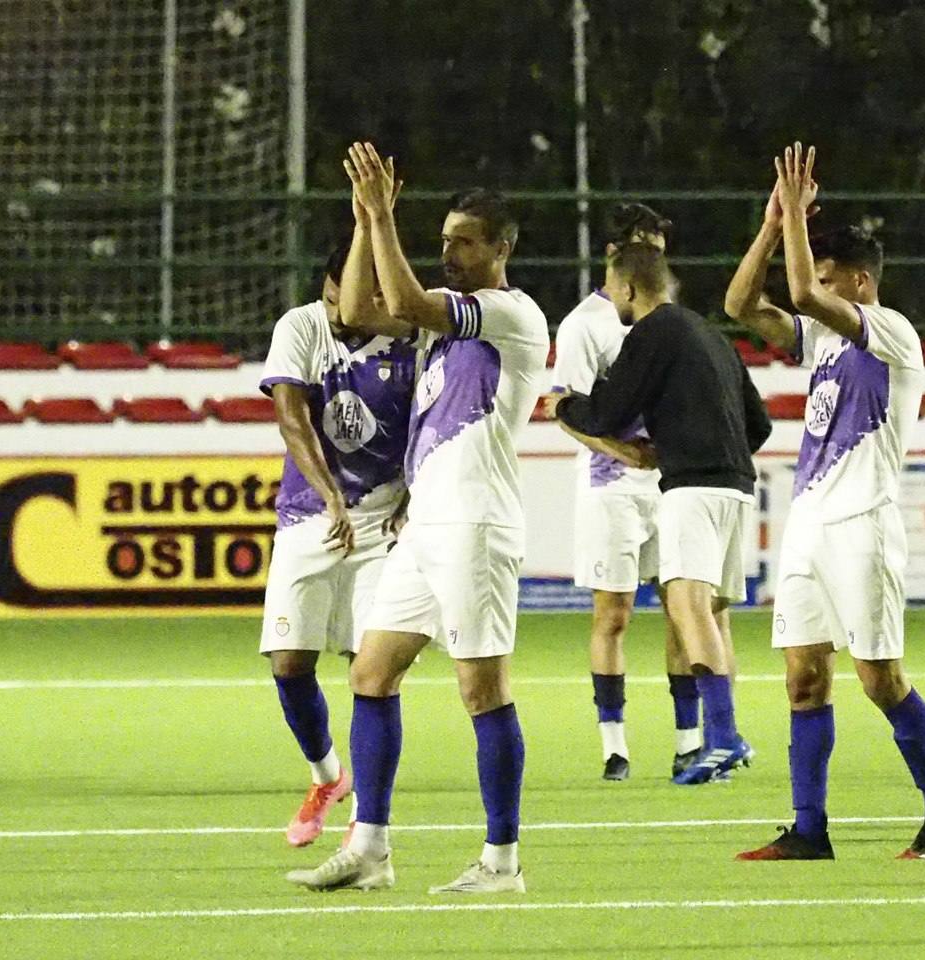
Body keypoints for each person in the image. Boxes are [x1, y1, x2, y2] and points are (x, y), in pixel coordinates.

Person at [288, 143, 547, 895]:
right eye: (443, 243)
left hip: (477, 526)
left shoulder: (509, 314)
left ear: (502, 248)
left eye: (464, 241)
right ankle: (370, 848)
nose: (450, 254)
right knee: (371, 673)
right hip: (426, 527)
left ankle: (502, 861)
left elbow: (403, 304)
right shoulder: (445, 327)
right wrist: (369, 223)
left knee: (482, 689)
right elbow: (358, 311)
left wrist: (382, 216)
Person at [726, 143, 925, 861]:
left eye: (835, 280)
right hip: (809, 523)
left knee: (879, 680)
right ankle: (809, 830)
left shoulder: (891, 333)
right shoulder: (825, 344)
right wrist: (773, 227)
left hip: (863, 524)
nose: (820, 288)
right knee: (803, 679)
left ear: (860, 284)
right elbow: (742, 305)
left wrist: (799, 217)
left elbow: (801, 293)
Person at [547, 242, 771, 787]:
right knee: (712, 615)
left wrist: (564, 406)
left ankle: (722, 737)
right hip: (738, 486)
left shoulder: (652, 332)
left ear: (627, 288)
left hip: (693, 488)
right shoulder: (711, 333)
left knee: (687, 606)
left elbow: (607, 411)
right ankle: (722, 736)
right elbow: (759, 423)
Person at [259, 236, 417, 847]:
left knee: (371, 671)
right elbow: (291, 416)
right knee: (289, 661)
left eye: (347, 301)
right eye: (331, 298)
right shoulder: (300, 326)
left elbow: (429, 424)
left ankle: (369, 821)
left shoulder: (411, 337)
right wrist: (327, 495)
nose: (338, 313)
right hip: (309, 516)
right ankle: (328, 776)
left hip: (383, 525)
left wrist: (410, 504)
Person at [551, 203, 703, 782]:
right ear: (618, 252)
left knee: (680, 611)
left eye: (661, 248)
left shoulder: (669, 318)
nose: (656, 257)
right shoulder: (584, 324)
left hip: (671, 487)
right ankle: (614, 745)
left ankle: (689, 740)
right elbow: (565, 408)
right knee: (612, 616)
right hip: (610, 489)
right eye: (647, 245)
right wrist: (626, 453)